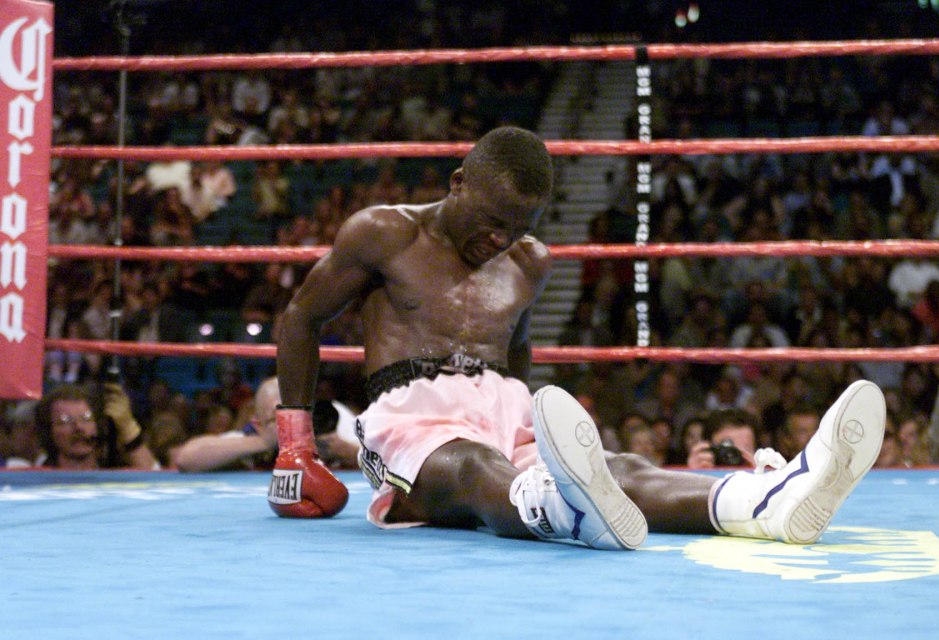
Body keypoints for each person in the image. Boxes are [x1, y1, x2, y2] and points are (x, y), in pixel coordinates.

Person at [270, 125, 887, 550]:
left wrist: (526, 416)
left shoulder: (528, 262)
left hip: (501, 410)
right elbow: (301, 316)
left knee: (621, 468)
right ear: (458, 182)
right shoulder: (385, 234)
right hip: (413, 423)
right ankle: (560, 506)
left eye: (515, 229)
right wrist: (293, 444)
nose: (498, 241)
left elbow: (514, 354)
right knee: (472, 469)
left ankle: (766, 502)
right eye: (490, 223)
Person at [171, 376, 359, 472]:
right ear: (258, 422)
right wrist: (263, 443)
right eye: (276, 417)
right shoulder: (252, 439)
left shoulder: (329, 420)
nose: (289, 421)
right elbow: (185, 459)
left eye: (294, 411)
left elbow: (383, 458)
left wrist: (344, 450)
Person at [33, 383, 158, 471]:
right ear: (49, 431)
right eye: (66, 421)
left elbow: (158, 485)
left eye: (86, 419)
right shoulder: (35, 479)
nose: (78, 427)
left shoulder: (116, 476)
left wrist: (128, 428)